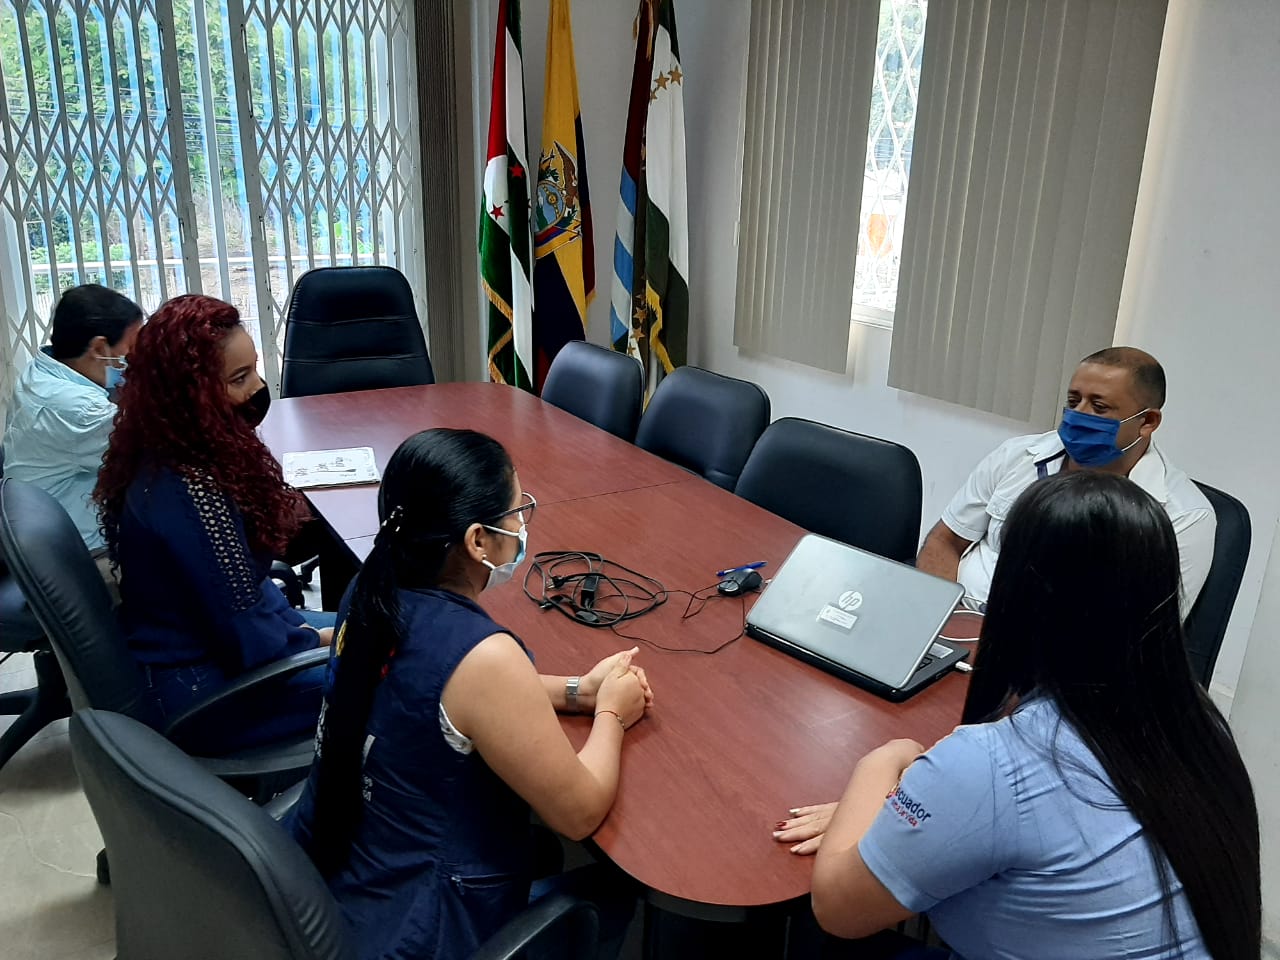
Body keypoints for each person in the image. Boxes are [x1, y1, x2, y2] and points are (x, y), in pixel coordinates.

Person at [775, 471, 1260, 959]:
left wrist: (888, 760)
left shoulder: (993, 765)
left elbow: (837, 907)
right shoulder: (1199, 724)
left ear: (1017, 589)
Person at [288, 428, 653, 960]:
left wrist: (579, 691)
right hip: (418, 928)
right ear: (478, 540)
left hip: (333, 884)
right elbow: (579, 813)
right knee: (617, 888)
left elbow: (446, 691)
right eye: (517, 512)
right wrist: (613, 713)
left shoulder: (371, 590)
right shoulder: (483, 657)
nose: (522, 526)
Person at [94, 294, 334, 751]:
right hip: (206, 693)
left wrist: (309, 632)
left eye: (255, 370)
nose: (257, 388)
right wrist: (316, 638)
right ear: (190, 395)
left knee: (392, 631)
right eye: (239, 379)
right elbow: (249, 637)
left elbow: (244, 590)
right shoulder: (192, 490)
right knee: (407, 671)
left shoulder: (171, 452)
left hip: (218, 651)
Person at [916, 347, 1214, 617]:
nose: (1077, 415)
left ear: (1147, 422)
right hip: (959, 621)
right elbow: (945, 541)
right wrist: (939, 621)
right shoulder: (1017, 456)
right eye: (1073, 401)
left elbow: (1144, 631)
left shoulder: (1181, 515)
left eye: (1099, 407)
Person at [3, 284, 143, 592]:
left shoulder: (42, 372)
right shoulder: (81, 410)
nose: (134, 362)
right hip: (88, 559)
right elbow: (156, 448)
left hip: (43, 544)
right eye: (131, 352)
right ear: (99, 348)